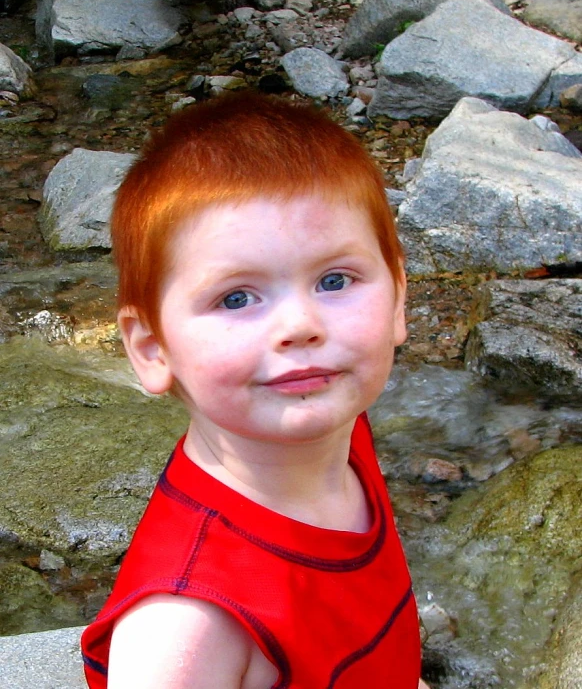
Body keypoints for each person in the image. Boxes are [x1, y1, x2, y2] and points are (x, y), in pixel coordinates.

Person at [81, 91, 430, 689]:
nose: (300, 326)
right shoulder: (188, 628)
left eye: (335, 279)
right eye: (236, 297)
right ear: (152, 348)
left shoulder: (336, 428)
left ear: (398, 296)